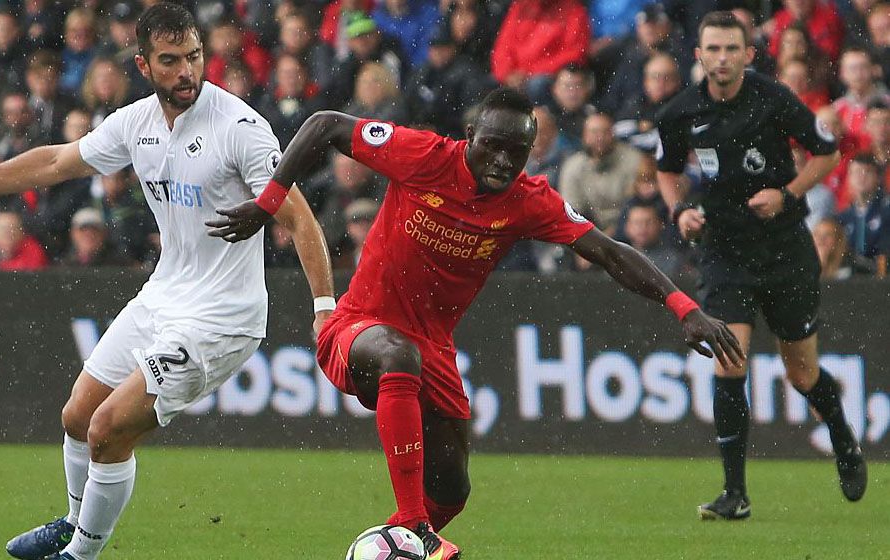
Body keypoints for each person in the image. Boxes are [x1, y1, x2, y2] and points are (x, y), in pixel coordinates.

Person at [207, 87, 744, 559]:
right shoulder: (421, 154)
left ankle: (398, 547)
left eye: (518, 150)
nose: (503, 160)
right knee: (398, 356)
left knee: (453, 490)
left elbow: (608, 251)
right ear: (470, 137)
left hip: (433, 350)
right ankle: (411, 527)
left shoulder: (529, 202)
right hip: (357, 328)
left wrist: (684, 307)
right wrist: (267, 201)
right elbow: (324, 124)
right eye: (493, 144)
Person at [0, 4, 334, 560]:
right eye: (170, 61)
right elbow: (57, 162)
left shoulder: (240, 129)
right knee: (77, 416)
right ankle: (75, 521)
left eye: (194, 57)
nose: (186, 73)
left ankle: (81, 553)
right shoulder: (136, 123)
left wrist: (324, 307)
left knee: (108, 429)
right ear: (144, 65)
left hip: (221, 318)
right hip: (162, 297)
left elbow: (299, 217)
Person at [655, 11, 867, 521]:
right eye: (714, 49)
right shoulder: (680, 112)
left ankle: (843, 439)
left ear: (750, 55)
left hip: (784, 253)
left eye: (733, 49)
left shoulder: (773, 99)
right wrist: (680, 210)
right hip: (724, 253)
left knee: (801, 373)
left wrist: (788, 193)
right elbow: (665, 169)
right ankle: (735, 493)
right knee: (730, 357)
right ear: (699, 55)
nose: (723, 58)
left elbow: (827, 152)